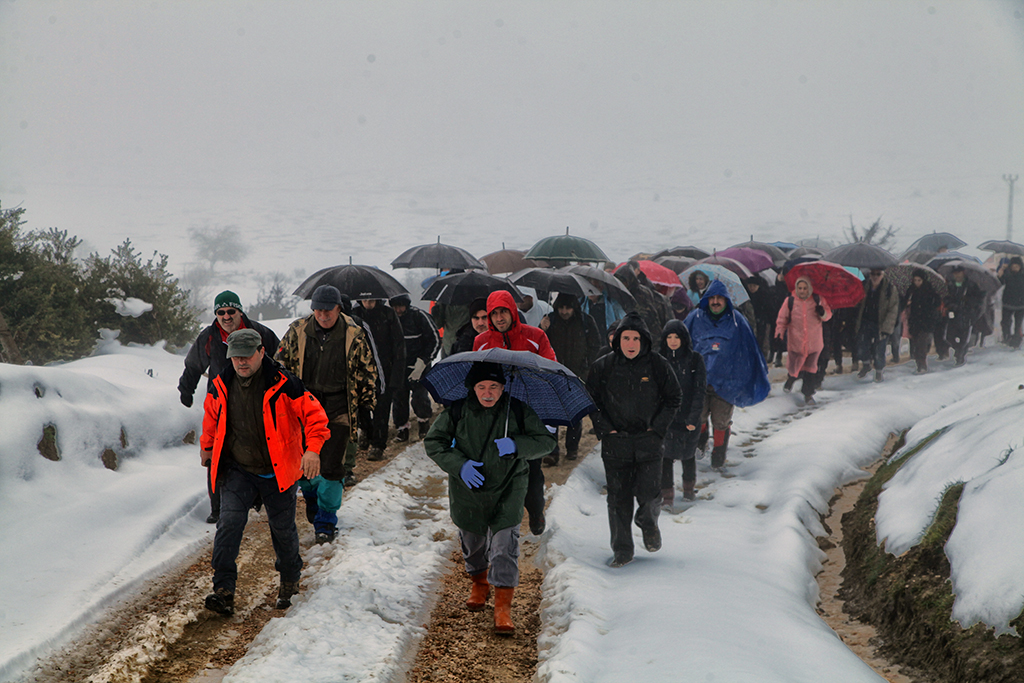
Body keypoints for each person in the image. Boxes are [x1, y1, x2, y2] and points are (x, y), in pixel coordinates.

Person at [201, 329, 331, 615]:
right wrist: (207, 446)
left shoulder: (285, 384)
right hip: (238, 469)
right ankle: (223, 589)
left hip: (277, 471)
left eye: (247, 355)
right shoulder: (221, 383)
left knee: (282, 530)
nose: (241, 362)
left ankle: (289, 581)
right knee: (229, 524)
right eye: (236, 357)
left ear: (261, 352)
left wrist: (312, 449)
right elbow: (211, 417)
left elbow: (316, 417)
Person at [424, 362, 555, 634]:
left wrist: (518, 445)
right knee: (473, 542)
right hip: (468, 487)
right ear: (473, 388)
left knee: (504, 545)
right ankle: (479, 583)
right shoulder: (457, 411)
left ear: (503, 387)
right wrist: (459, 465)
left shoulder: (516, 410)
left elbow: (546, 441)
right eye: (482, 387)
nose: (487, 393)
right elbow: (433, 442)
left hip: (509, 485)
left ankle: (502, 608)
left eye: (494, 387)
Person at [276, 285, 378, 543]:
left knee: (332, 467)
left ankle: (326, 521)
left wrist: (366, 407)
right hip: (304, 406)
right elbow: (279, 365)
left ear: (338, 308)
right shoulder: (298, 331)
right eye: (318, 310)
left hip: (339, 407)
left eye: (328, 310)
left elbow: (367, 371)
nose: (323, 315)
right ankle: (312, 498)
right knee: (305, 463)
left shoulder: (354, 334)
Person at [587, 312, 682, 568]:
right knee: (618, 499)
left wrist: (657, 429)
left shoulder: (657, 365)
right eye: (626, 338)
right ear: (617, 340)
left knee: (650, 494)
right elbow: (591, 401)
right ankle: (622, 550)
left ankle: (648, 523)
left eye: (635, 338)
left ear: (644, 341)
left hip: (648, 441)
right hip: (616, 443)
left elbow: (674, 397)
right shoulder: (603, 366)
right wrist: (606, 429)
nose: (630, 344)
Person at [178, 290, 280, 524]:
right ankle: (218, 507)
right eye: (220, 312)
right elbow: (193, 365)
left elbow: (281, 359)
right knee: (216, 453)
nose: (225, 316)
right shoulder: (209, 337)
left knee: (257, 448)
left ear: (239, 311)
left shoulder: (260, 333)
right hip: (220, 403)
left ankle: (258, 496)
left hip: (256, 402)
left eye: (230, 311)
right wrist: (186, 389)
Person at [473, 289, 557, 536]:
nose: (499, 318)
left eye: (503, 312)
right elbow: (476, 377)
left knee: (531, 468)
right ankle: (501, 522)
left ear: (512, 312)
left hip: (530, 411)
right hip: (496, 413)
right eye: (494, 313)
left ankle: (536, 510)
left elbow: (550, 368)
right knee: (497, 467)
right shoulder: (482, 342)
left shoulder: (535, 336)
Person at [685, 280, 771, 468]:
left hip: (726, 383)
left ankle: (718, 454)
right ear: (706, 299)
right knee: (698, 417)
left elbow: (750, 349)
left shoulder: (737, 321)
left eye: (719, 298)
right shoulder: (694, 318)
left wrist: (752, 372)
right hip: (698, 383)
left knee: (721, 421)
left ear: (726, 300)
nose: (715, 302)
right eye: (712, 298)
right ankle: (700, 443)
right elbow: (680, 344)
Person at [542, 292, 602, 464]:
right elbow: (539, 343)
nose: (564, 311)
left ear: (574, 307)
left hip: (577, 374)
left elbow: (595, 345)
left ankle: (572, 448)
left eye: (568, 308)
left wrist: (586, 368)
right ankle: (552, 451)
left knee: (574, 413)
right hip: (553, 374)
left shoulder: (586, 321)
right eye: (561, 307)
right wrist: (542, 329)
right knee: (553, 415)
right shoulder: (550, 320)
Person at [658, 319, 706, 505]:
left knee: (688, 455)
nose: (672, 340)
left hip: (688, 417)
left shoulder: (695, 359)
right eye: (669, 337)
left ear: (683, 338)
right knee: (665, 458)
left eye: (676, 336)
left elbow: (699, 390)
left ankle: (688, 491)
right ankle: (667, 497)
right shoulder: (659, 360)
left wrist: (694, 417)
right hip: (667, 418)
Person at [353, 298, 406, 460]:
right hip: (361, 367)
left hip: (384, 367)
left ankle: (378, 444)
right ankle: (366, 431)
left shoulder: (388, 314)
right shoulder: (355, 315)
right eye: (365, 300)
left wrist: (397, 375)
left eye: (371, 300)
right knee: (361, 404)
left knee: (381, 406)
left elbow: (398, 344)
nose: (368, 303)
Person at [389, 293, 440, 441]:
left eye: (401, 306)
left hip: (418, 364)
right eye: (395, 306)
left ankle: (424, 424)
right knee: (398, 398)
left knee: (419, 396)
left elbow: (434, 339)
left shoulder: (419, 316)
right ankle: (402, 429)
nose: (398, 310)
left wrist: (424, 361)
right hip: (398, 366)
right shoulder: (389, 319)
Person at [774, 276, 832, 404]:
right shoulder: (790, 301)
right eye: (799, 288)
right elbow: (782, 319)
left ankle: (808, 394)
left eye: (805, 288)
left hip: (814, 342)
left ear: (809, 289)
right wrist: (779, 333)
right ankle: (791, 379)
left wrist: (822, 312)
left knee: (810, 369)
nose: (802, 291)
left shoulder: (817, 300)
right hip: (796, 341)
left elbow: (828, 315)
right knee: (795, 365)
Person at [854, 269, 899, 382]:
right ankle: (866, 365)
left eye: (878, 274)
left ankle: (879, 371)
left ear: (883, 275)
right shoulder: (865, 286)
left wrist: (886, 328)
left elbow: (893, 310)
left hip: (881, 323)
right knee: (862, 346)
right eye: (873, 274)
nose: (875, 277)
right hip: (866, 321)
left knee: (880, 348)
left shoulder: (889, 289)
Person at [943, 265, 984, 367]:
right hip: (954, 315)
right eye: (955, 273)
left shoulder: (971, 285)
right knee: (949, 337)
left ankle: (960, 355)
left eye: (959, 273)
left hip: (966, 315)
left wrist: (968, 303)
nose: (957, 275)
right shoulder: (951, 285)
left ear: (963, 273)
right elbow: (946, 298)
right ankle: (958, 350)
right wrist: (951, 305)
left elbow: (978, 300)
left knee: (964, 338)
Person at [904, 270, 942, 373]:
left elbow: (936, 303)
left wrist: (926, 305)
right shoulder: (911, 290)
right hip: (914, 321)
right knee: (916, 344)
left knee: (921, 344)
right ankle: (919, 363)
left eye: (919, 280)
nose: (917, 282)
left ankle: (922, 364)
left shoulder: (930, 290)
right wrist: (907, 303)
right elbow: (903, 302)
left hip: (926, 321)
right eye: (915, 280)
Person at [998, 256, 1024, 347]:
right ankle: (1007, 337)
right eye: (1013, 266)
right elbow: (1000, 283)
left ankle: (1016, 340)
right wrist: (1000, 275)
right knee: (1005, 322)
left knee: (1018, 324)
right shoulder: (1007, 274)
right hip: (1007, 303)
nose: (1015, 268)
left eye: (1017, 266)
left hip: (1020, 305)